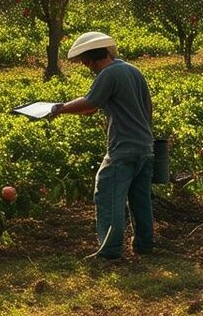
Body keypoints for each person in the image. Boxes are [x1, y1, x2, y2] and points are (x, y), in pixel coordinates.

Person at [48, 31, 155, 260]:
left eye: (85, 62)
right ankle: (145, 245)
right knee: (140, 198)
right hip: (145, 146)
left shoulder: (108, 73)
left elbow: (91, 101)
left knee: (108, 194)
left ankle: (109, 251)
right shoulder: (132, 70)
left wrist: (60, 108)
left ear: (91, 57)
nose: (86, 67)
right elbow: (100, 106)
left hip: (123, 147)